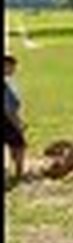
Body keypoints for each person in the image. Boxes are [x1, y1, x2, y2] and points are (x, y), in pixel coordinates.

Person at [4, 54, 26, 183]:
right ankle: (18, 174)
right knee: (19, 146)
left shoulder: (8, 83)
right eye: (11, 66)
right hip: (7, 121)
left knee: (14, 146)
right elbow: (8, 109)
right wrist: (17, 124)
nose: (14, 69)